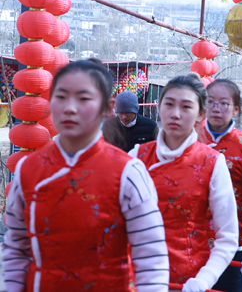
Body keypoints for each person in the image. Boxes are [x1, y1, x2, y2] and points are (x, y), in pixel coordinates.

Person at [2, 59, 169, 292]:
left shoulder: (128, 172)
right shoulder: (28, 170)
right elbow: (15, 250)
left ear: (108, 107)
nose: (70, 108)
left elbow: (151, 260)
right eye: (61, 97)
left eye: (83, 98)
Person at [131, 74, 238, 292]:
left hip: (186, 280)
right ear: (159, 107)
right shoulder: (136, 156)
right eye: (169, 104)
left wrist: (204, 280)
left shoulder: (211, 162)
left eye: (186, 107)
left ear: (201, 114)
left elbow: (227, 237)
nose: (175, 114)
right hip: (136, 276)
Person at [196, 79, 242, 292]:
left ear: (236, 109)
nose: (216, 108)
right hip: (193, 240)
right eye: (211, 102)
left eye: (224, 103)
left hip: (235, 242)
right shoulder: (190, 138)